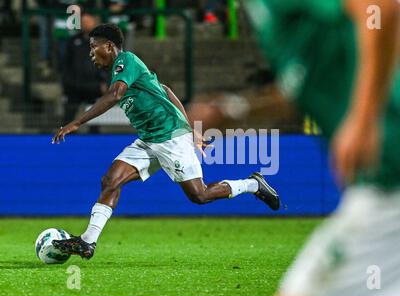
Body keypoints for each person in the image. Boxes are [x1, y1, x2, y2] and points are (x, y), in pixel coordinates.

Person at [244, 0, 400, 296]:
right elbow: (302, 85)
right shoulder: (272, 17)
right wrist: (237, 112)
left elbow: (384, 8)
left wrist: (365, 119)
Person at [51, 23, 280, 260]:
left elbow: (115, 95)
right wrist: (191, 126)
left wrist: (76, 122)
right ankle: (87, 242)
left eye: (93, 46)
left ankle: (253, 184)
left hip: (170, 136)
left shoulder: (126, 61)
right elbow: (165, 90)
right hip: (149, 139)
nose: (90, 52)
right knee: (110, 180)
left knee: (199, 195)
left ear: (109, 46)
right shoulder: (125, 71)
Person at [62, 12, 109, 124]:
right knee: (68, 119)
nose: (85, 24)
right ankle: (67, 140)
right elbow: (65, 64)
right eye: (83, 22)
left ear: (95, 23)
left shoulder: (103, 43)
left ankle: (95, 140)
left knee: (94, 120)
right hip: (74, 86)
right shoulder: (73, 41)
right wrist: (67, 82)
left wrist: (105, 82)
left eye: (88, 22)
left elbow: (109, 64)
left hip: (94, 86)